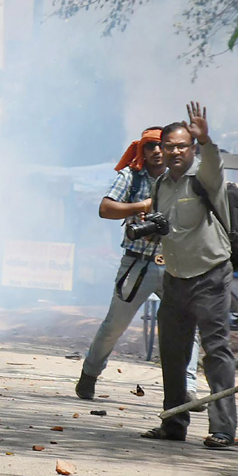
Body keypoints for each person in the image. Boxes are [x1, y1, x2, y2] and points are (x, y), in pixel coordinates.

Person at [76, 127, 201, 402]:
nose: (157, 151)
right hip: (137, 262)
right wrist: (142, 206)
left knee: (187, 326)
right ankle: (90, 374)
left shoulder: (184, 178)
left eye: (162, 146)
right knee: (114, 326)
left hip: (176, 264)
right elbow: (105, 208)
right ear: (141, 150)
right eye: (150, 146)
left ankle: (188, 387)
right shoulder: (131, 176)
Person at [139, 103, 238, 449]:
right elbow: (166, 229)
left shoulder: (204, 177)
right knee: (172, 352)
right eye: (169, 146)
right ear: (161, 150)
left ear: (191, 149)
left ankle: (223, 428)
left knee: (216, 351)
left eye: (182, 146)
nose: (175, 151)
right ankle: (174, 422)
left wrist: (207, 139)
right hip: (175, 277)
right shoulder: (161, 186)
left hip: (210, 275)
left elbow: (214, 163)